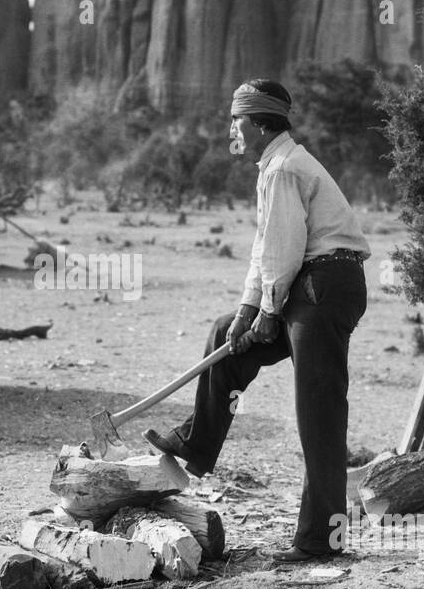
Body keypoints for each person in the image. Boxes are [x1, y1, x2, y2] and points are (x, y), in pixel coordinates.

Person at [145, 79, 370, 561]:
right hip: (305, 286)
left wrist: (269, 313)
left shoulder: (286, 168)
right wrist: (247, 312)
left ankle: (321, 541)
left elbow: (286, 250)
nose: (233, 129)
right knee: (223, 336)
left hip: (323, 288)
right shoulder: (274, 166)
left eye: (237, 120)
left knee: (319, 414)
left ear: (258, 122)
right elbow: (265, 250)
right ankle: (195, 445)